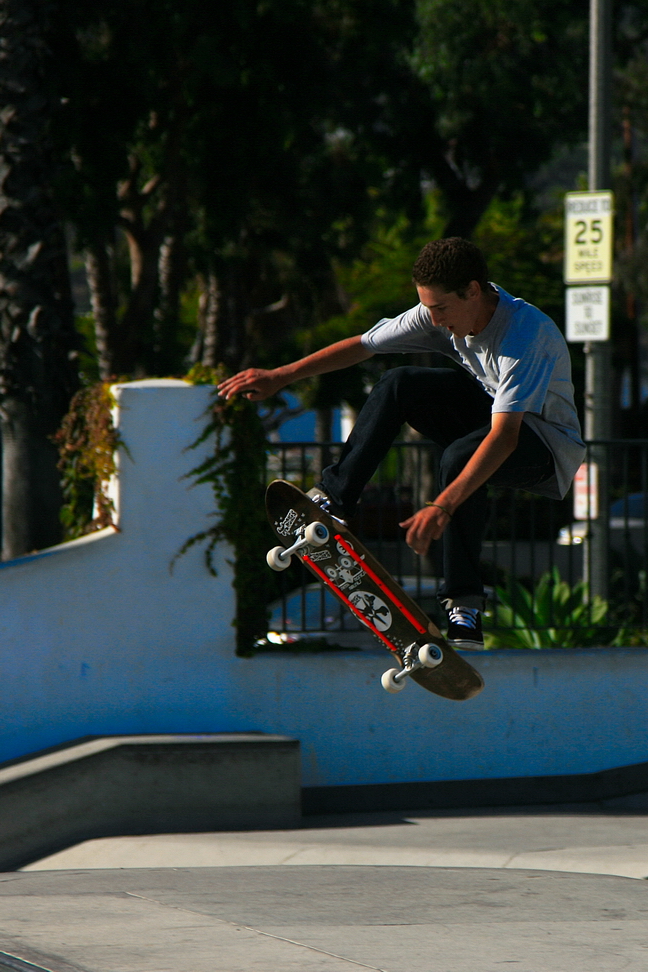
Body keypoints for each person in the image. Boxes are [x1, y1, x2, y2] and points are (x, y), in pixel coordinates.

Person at [217, 238, 585, 649]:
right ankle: (332, 500)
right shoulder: (436, 313)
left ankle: (464, 605)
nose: (435, 319)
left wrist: (441, 505)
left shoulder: (524, 335)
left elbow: (504, 437)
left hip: (545, 450)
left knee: (462, 456)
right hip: (492, 424)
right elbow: (362, 345)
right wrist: (282, 376)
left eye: (441, 309)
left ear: (474, 291)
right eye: (427, 308)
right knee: (398, 383)